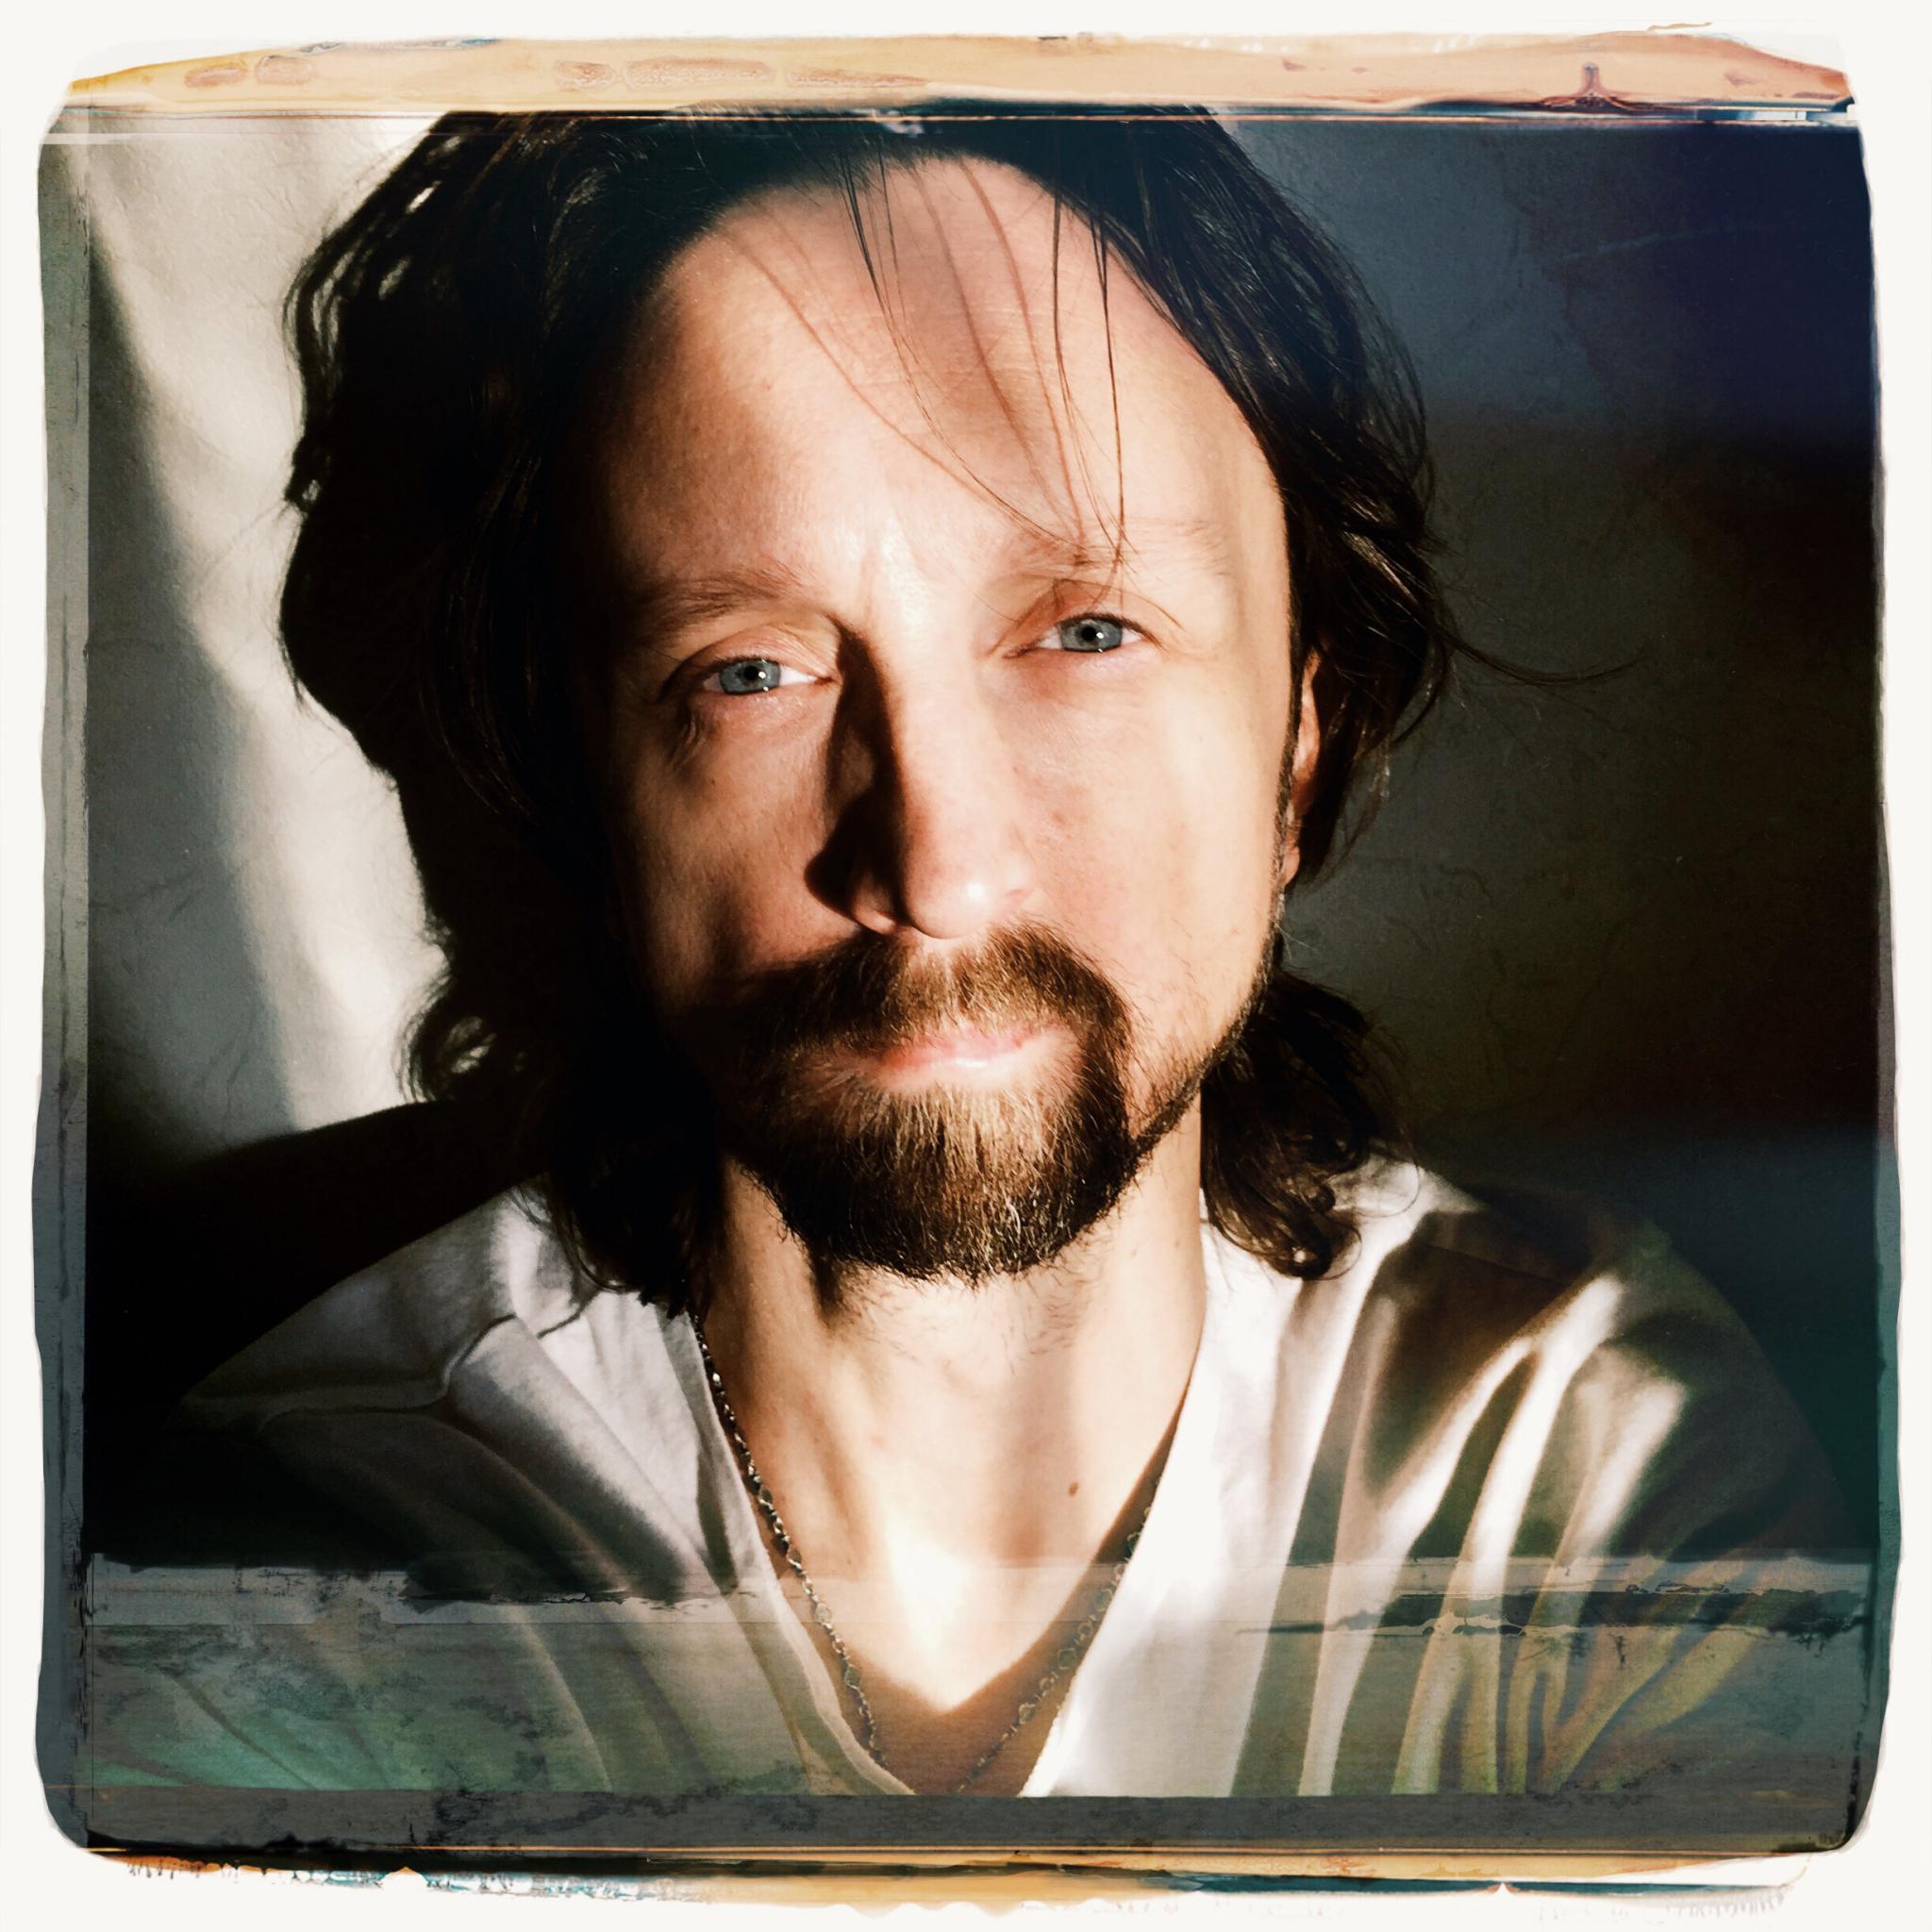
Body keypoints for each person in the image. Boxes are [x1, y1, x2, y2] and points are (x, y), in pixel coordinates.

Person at [79, 105, 1870, 1817]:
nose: (932, 868)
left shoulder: (1585, 1484)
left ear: (1300, 739)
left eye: (1087, 633)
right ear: (579, 788)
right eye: (750, 672)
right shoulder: (313, 1565)